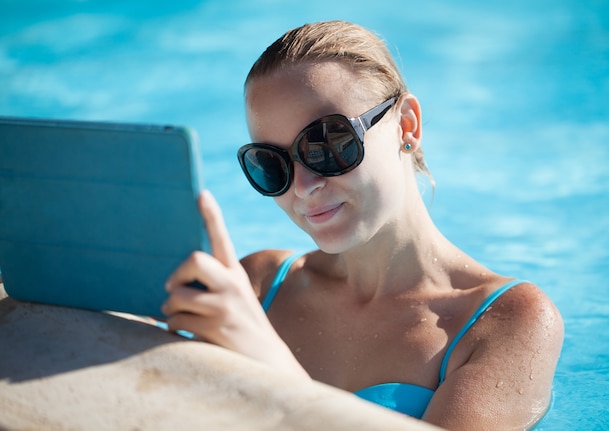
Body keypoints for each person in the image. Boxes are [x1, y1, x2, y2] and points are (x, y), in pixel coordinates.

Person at [162, 20, 564, 430]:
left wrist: (270, 361)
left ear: (407, 125)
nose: (303, 187)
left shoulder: (506, 321)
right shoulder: (258, 287)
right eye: (271, 163)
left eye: (326, 144)